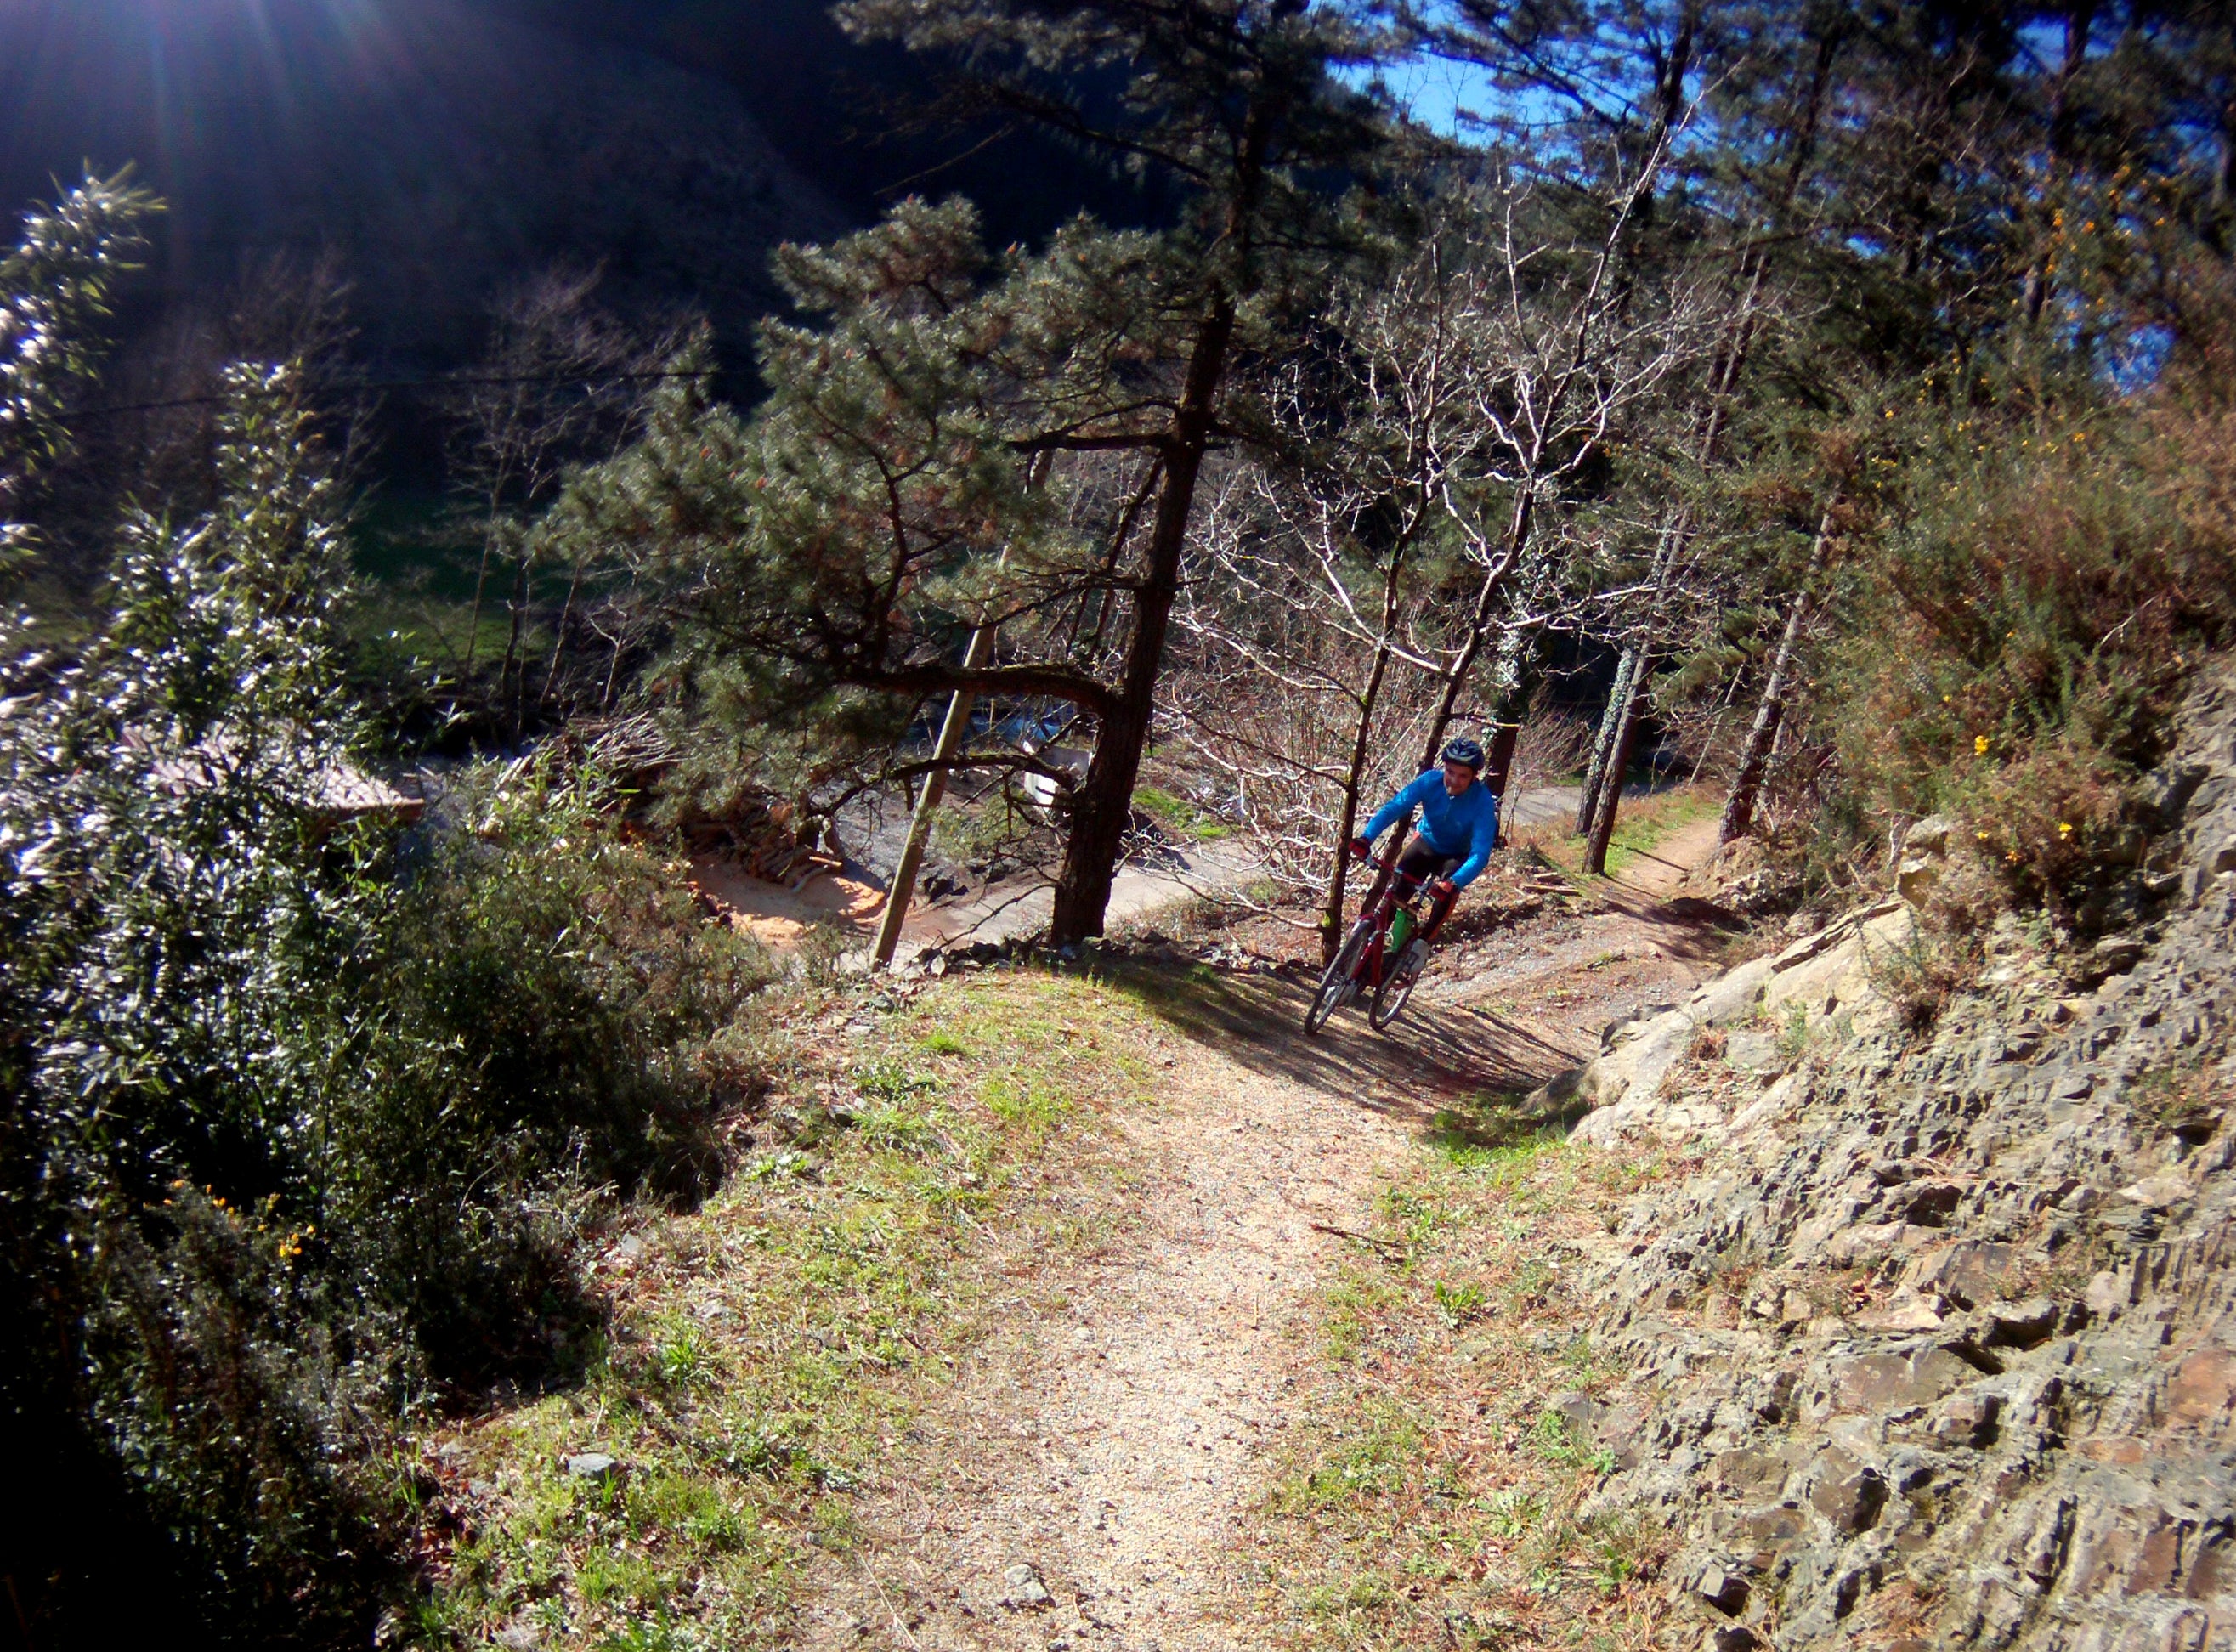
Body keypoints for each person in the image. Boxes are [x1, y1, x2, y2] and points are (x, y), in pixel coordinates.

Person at [1349, 738, 1500, 948]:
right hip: (1427, 844)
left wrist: (1454, 882)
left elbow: (1480, 853)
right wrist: (1366, 838)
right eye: (1450, 772)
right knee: (1394, 897)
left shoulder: (1482, 802)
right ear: (1444, 768)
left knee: (1445, 897)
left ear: (1474, 777)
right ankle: (1362, 954)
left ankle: (1423, 943)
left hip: (1456, 855)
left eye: (1463, 776)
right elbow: (1394, 807)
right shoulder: (1430, 781)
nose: (1454, 781)